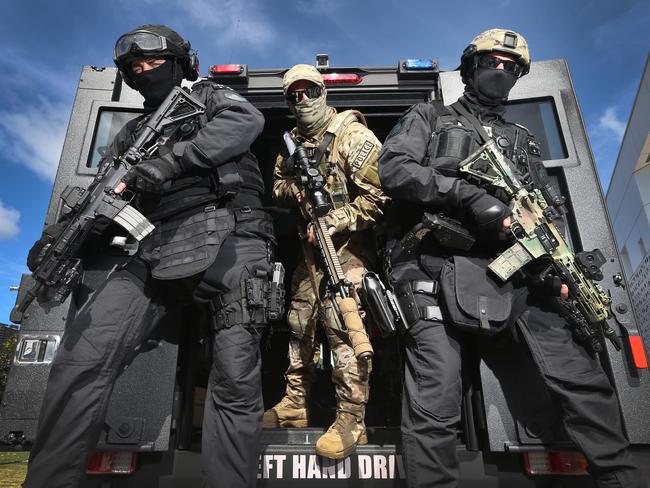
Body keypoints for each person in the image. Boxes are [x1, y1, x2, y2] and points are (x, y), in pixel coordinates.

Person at [377, 29, 645, 487]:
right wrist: (466, 196)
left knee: (582, 381)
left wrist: (561, 271)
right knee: (436, 400)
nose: (500, 71)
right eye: (491, 62)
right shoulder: (430, 115)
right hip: (437, 265)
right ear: (470, 67)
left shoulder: (522, 140)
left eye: (511, 66)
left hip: (516, 274)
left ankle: (618, 477)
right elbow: (394, 170)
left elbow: (546, 211)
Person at [23, 24, 278, 488]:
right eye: (134, 68)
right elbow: (102, 193)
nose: (144, 72)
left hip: (231, 237)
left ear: (181, 63)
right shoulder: (130, 136)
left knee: (235, 381)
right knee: (80, 360)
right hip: (153, 250)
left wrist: (172, 160)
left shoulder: (209, 97)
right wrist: (68, 231)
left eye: (153, 63)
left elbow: (246, 123)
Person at [263, 64, 389, 459]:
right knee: (299, 322)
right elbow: (278, 188)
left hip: (347, 249)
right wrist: (297, 190)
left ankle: (352, 420)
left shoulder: (352, 137)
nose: (302, 100)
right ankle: (294, 406)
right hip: (309, 251)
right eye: (294, 95)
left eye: (309, 91)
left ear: (323, 92)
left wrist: (336, 217)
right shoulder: (291, 144)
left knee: (344, 328)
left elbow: (381, 200)